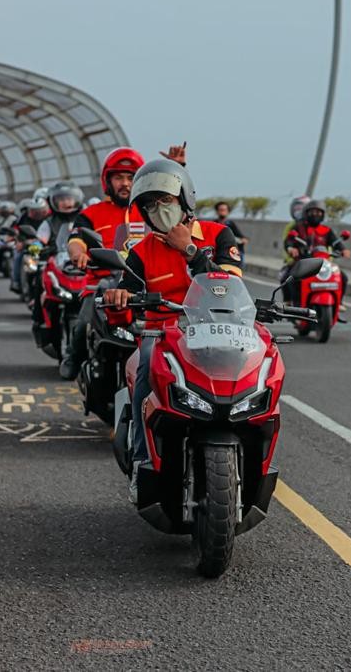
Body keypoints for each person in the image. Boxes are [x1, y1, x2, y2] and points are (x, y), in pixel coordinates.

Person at [101, 158, 242, 501]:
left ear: (185, 199)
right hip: (163, 339)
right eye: (150, 205)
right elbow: (126, 298)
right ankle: (140, 462)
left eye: (166, 201)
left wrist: (190, 251)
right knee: (144, 372)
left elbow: (232, 284)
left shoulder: (218, 235)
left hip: (219, 333)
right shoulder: (140, 253)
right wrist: (118, 299)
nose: (158, 210)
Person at [57, 146, 146, 380]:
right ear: (108, 181)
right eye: (119, 177)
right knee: (83, 322)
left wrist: (179, 168)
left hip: (144, 287)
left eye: (131, 177)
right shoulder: (92, 213)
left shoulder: (152, 211)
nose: (125, 183)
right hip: (101, 284)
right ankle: (73, 357)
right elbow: (76, 239)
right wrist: (79, 254)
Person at [282, 199, 350, 306]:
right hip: (303, 261)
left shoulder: (326, 230)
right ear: (306, 213)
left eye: (318, 212)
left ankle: (339, 303)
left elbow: (336, 242)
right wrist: (291, 248)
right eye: (312, 212)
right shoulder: (299, 228)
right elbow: (289, 240)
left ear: (323, 214)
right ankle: (291, 302)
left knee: (343, 277)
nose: (315, 214)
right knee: (287, 277)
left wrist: (343, 249)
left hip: (323, 262)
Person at [278, 195, 311, 300]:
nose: (298, 211)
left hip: (316, 260)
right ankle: (287, 301)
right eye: (296, 208)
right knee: (285, 277)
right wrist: (290, 258)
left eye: (301, 208)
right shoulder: (292, 226)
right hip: (298, 260)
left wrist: (328, 260)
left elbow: (327, 245)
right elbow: (286, 243)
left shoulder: (318, 226)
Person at [213, 200, 248, 265]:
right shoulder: (213, 224)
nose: (222, 212)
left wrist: (243, 239)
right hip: (218, 253)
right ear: (217, 211)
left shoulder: (230, 224)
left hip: (231, 253)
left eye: (224, 210)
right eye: (221, 210)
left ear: (228, 211)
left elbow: (241, 236)